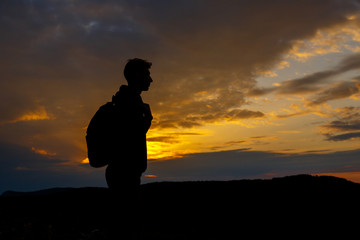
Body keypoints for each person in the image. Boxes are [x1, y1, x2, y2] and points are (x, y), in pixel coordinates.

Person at [105, 58, 153, 238]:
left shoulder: (127, 99)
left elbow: (134, 135)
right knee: (127, 228)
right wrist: (147, 117)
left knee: (124, 225)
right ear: (137, 75)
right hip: (124, 173)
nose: (151, 79)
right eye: (147, 74)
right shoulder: (129, 101)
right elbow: (132, 135)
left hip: (122, 172)